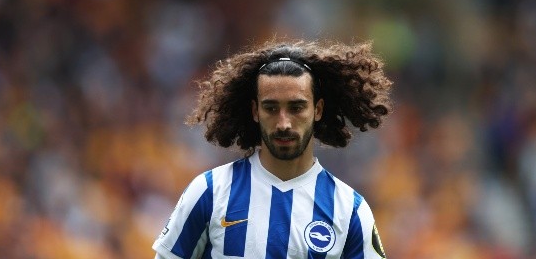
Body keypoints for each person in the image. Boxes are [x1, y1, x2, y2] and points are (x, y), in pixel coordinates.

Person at [152, 39, 392, 259]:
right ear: (256, 111)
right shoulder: (210, 192)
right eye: (271, 108)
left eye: (297, 107)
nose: (284, 123)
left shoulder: (349, 208)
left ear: (317, 110)